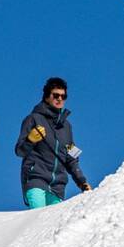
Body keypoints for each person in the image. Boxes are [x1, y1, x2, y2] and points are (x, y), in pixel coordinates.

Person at [14, 77, 91, 208]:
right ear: (46, 97)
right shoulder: (33, 119)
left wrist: (81, 181)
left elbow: (71, 157)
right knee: (37, 221)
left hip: (58, 188)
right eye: (56, 95)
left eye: (63, 96)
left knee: (50, 227)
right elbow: (19, 151)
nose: (60, 99)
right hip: (36, 180)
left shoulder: (66, 127)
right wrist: (30, 140)